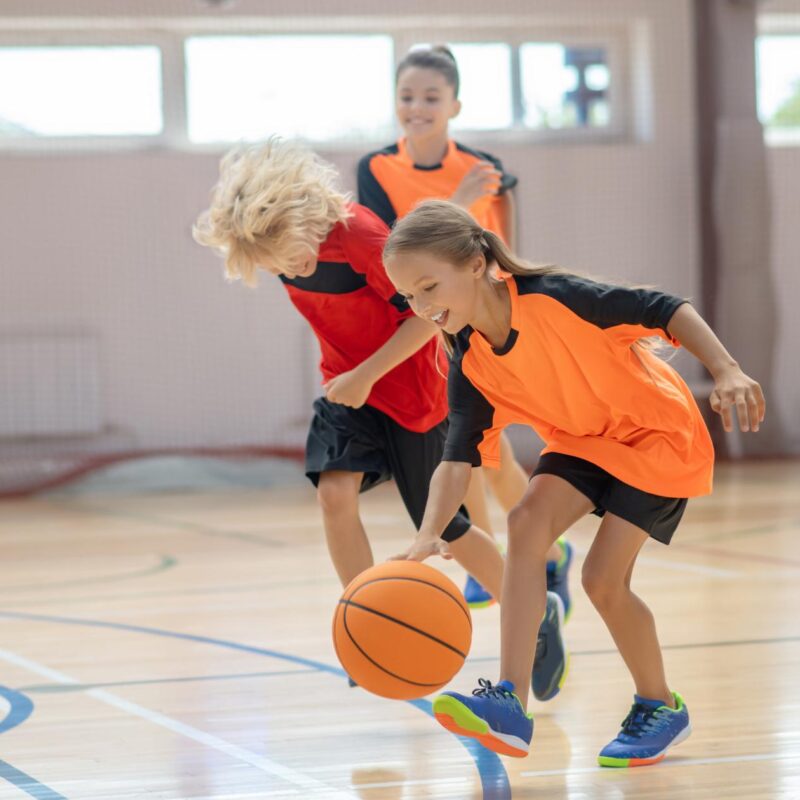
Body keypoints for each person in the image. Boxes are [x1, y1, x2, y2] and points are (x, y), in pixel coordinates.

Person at [383, 200, 765, 764]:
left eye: (428, 287)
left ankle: (660, 705)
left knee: (602, 582)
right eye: (409, 297)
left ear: (472, 264)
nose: (422, 306)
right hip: (583, 439)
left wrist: (726, 368)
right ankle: (510, 701)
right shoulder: (471, 361)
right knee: (525, 520)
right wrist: (428, 535)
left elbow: (665, 308)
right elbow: (455, 459)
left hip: (657, 435)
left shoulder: (555, 298)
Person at [192, 140, 565, 697]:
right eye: (274, 264)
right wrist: (355, 379)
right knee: (333, 495)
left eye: (289, 254)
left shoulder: (363, 236)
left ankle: (537, 613)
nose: (288, 267)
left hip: (414, 392)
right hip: (349, 390)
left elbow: (426, 321)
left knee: (443, 528)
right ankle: (365, 617)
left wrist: (368, 373)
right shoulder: (277, 248)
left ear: (302, 214)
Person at [358, 45, 572, 611]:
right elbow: (388, 250)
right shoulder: (377, 167)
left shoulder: (486, 170)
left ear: (455, 103)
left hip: (473, 330)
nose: (417, 107)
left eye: (431, 96)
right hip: (417, 328)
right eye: (407, 96)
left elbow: (505, 256)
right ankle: (497, 558)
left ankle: (545, 555)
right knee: (463, 453)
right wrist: (455, 203)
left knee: (486, 455)